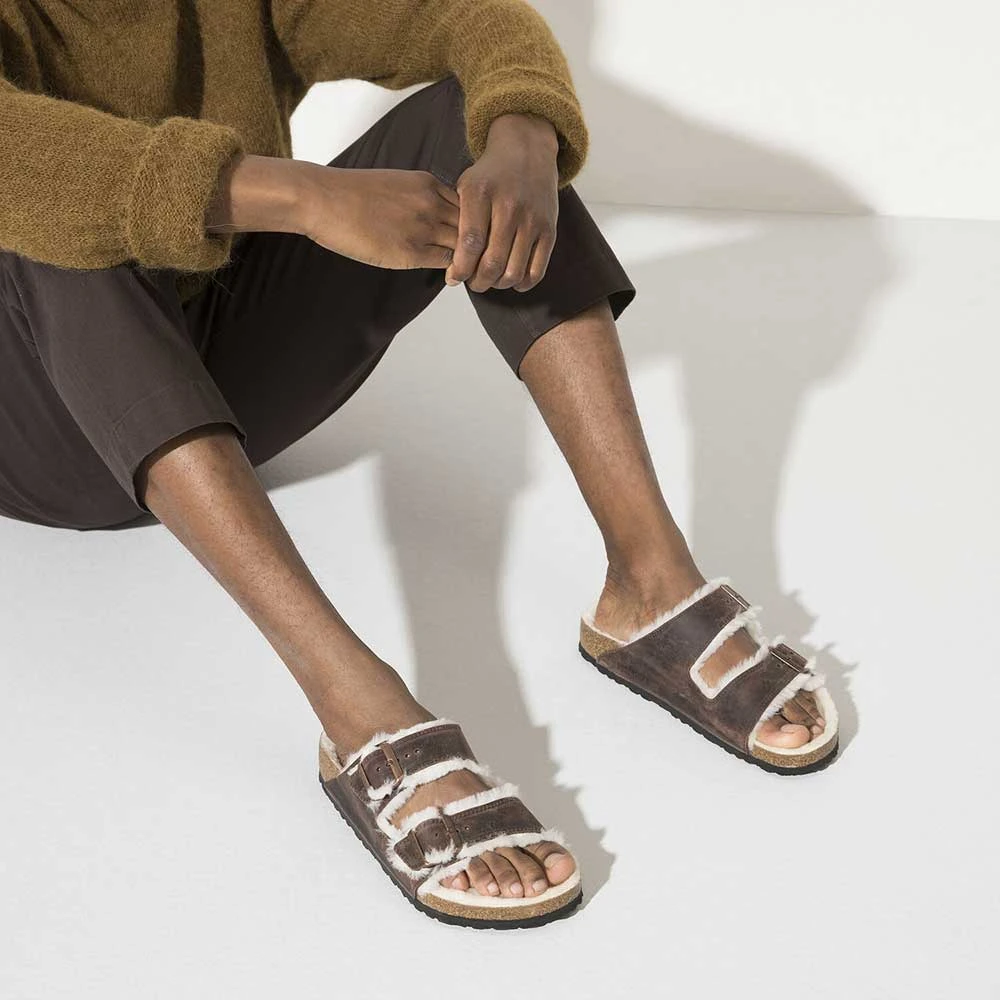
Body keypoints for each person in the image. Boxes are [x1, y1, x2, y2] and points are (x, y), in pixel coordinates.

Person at [0, 0, 839, 928]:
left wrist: (523, 136)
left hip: (211, 354)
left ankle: (648, 584)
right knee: (59, 219)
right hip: (39, 428)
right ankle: (360, 708)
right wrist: (307, 198)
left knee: (465, 119)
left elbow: (464, 16)